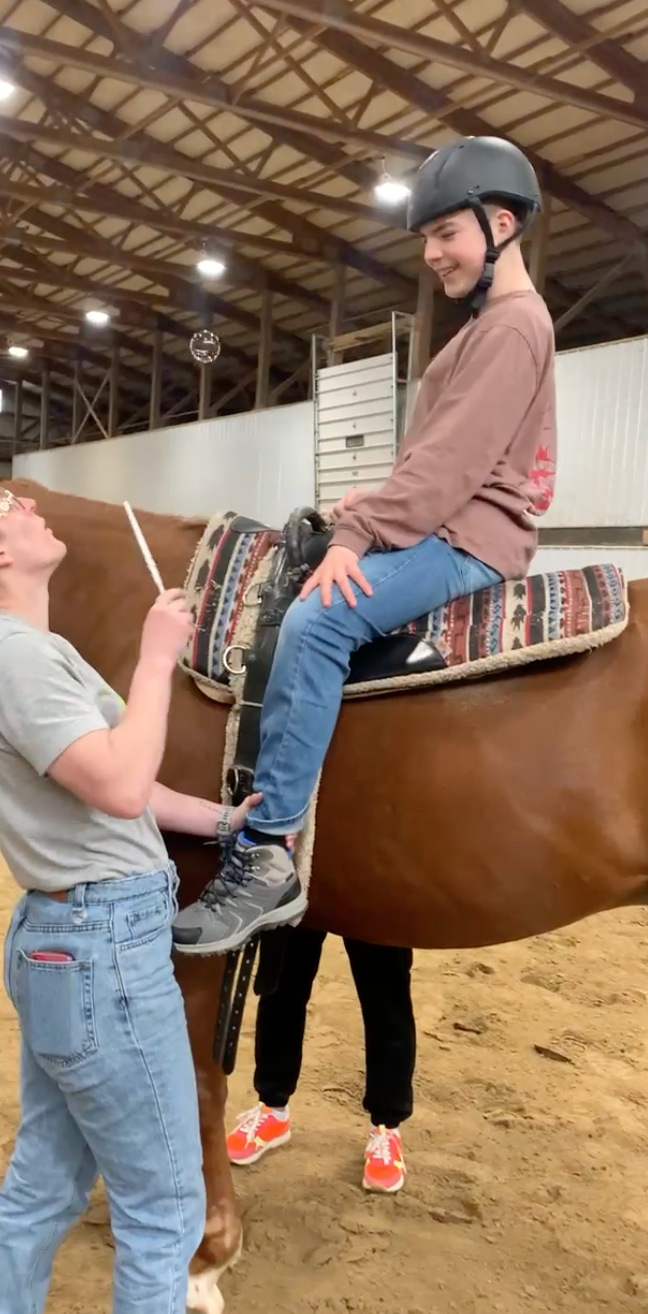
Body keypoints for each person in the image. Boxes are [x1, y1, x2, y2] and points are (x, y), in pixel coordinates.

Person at [0, 480, 261, 1314]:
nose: (26, 505)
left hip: (72, 945)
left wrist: (222, 822)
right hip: (105, 951)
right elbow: (122, 782)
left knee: (49, 1176)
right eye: (7, 503)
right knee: (164, 1207)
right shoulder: (16, 658)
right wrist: (157, 656)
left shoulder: (22, 649)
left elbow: (126, 787)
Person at [172, 134, 557, 957]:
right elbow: (440, 455)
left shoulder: (513, 328)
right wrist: (373, 499)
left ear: (498, 224)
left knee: (315, 624)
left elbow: (452, 470)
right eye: (427, 238)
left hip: (464, 541)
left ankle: (270, 849)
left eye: (445, 234)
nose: (431, 255)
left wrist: (360, 530)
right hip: (446, 520)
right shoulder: (488, 328)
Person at [226, 930, 415, 1194]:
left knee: (386, 988)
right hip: (301, 889)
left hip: (373, 892)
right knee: (281, 982)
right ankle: (272, 1107)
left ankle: (386, 1125)